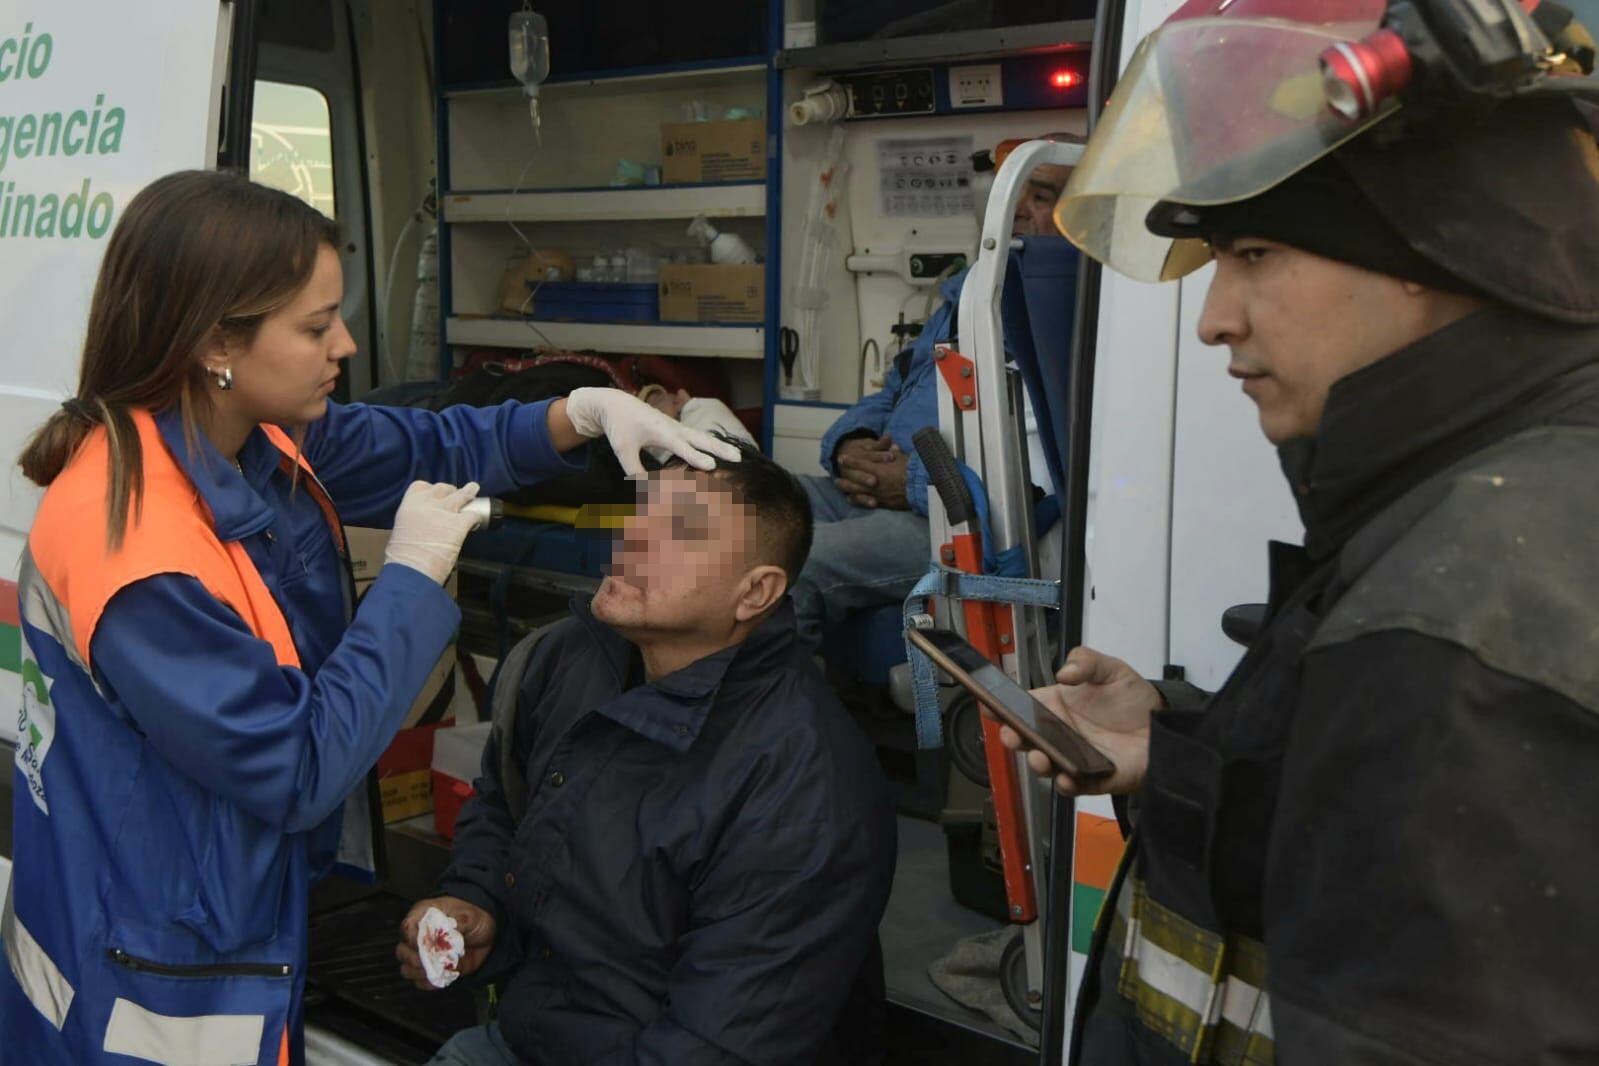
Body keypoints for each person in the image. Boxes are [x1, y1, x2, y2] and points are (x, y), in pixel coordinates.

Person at [0, 169, 738, 1066]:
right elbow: (297, 767)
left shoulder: (241, 434)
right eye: (314, 327)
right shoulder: (144, 550)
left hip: (193, 892)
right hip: (150, 966)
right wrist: (414, 577)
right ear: (214, 343)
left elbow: (430, 443)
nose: (343, 343)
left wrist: (579, 414)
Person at [1003, 2, 1599, 1063]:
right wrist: (1186, 749)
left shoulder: (1452, 612)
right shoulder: (1480, 503)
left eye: (1258, 253)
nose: (1213, 317)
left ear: (1433, 244)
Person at [396, 439, 897, 1065]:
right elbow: (506, 803)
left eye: (680, 532)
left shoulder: (803, 786)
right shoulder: (577, 655)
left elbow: (720, 1044)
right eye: (639, 514)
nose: (632, 538)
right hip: (535, 1035)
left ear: (755, 592)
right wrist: (475, 900)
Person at [791, 146, 1075, 648]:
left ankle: (782, 718)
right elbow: (900, 383)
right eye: (1014, 196)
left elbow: (1036, 471)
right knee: (734, 504)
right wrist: (851, 445)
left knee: (789, 559)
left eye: (1043, 197)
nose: (1018, 211)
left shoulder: (1068, 314)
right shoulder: (968, 294)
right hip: (886, 490)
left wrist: (914, 482)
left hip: (960, 521)